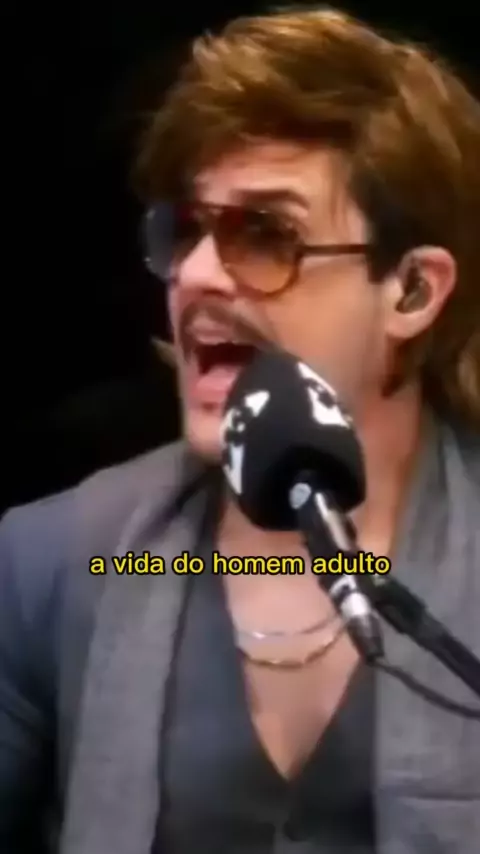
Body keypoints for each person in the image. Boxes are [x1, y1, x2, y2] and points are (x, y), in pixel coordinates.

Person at [1, 7, 480, 853]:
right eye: (187, 231)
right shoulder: (56, 563)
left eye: (266, 233)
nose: (195, 274)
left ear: (410, 291)